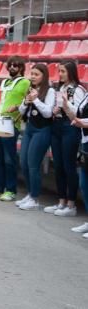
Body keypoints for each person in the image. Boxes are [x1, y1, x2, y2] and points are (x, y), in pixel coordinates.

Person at [0, 56, 30, 201]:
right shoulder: (5, 82)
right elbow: (4, 102)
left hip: (11, 123)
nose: (12, 68)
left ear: (21, 68)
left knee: (9, 159)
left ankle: (11, 190)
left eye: (16, 65)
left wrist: (18, 108)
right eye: (10, 65)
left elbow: (28, 101)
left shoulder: (25, 82)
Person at [44, 60, 85, 217]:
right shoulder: (60, 88)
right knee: (59, 165)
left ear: (71, 72)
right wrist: (55, 110)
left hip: (70, 127)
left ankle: (71, 204)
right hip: (57, 126)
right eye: (59, 71)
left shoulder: (77, 89)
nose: (60, 74)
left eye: (63, 71)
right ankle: (61, 201)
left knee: (69, 166)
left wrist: (67, 107)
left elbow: (78, 114)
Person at [15, 63, 55, 210]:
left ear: (43, 76)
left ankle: (35, 197)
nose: (33, 77)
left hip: (42, 130)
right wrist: (26, 101)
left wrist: (36, 100)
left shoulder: (49, 91)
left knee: (33, 164)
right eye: (32, 74)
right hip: (30, 128)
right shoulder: (30, 89)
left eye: (36, 74)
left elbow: (48, 113)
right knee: (23, 162)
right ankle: (30, 193)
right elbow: (21, 110)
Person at [67, 91, 88, 236]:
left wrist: (83, 122)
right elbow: (79, 113)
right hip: (85, 141)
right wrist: (67, 105)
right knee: (84, 184)